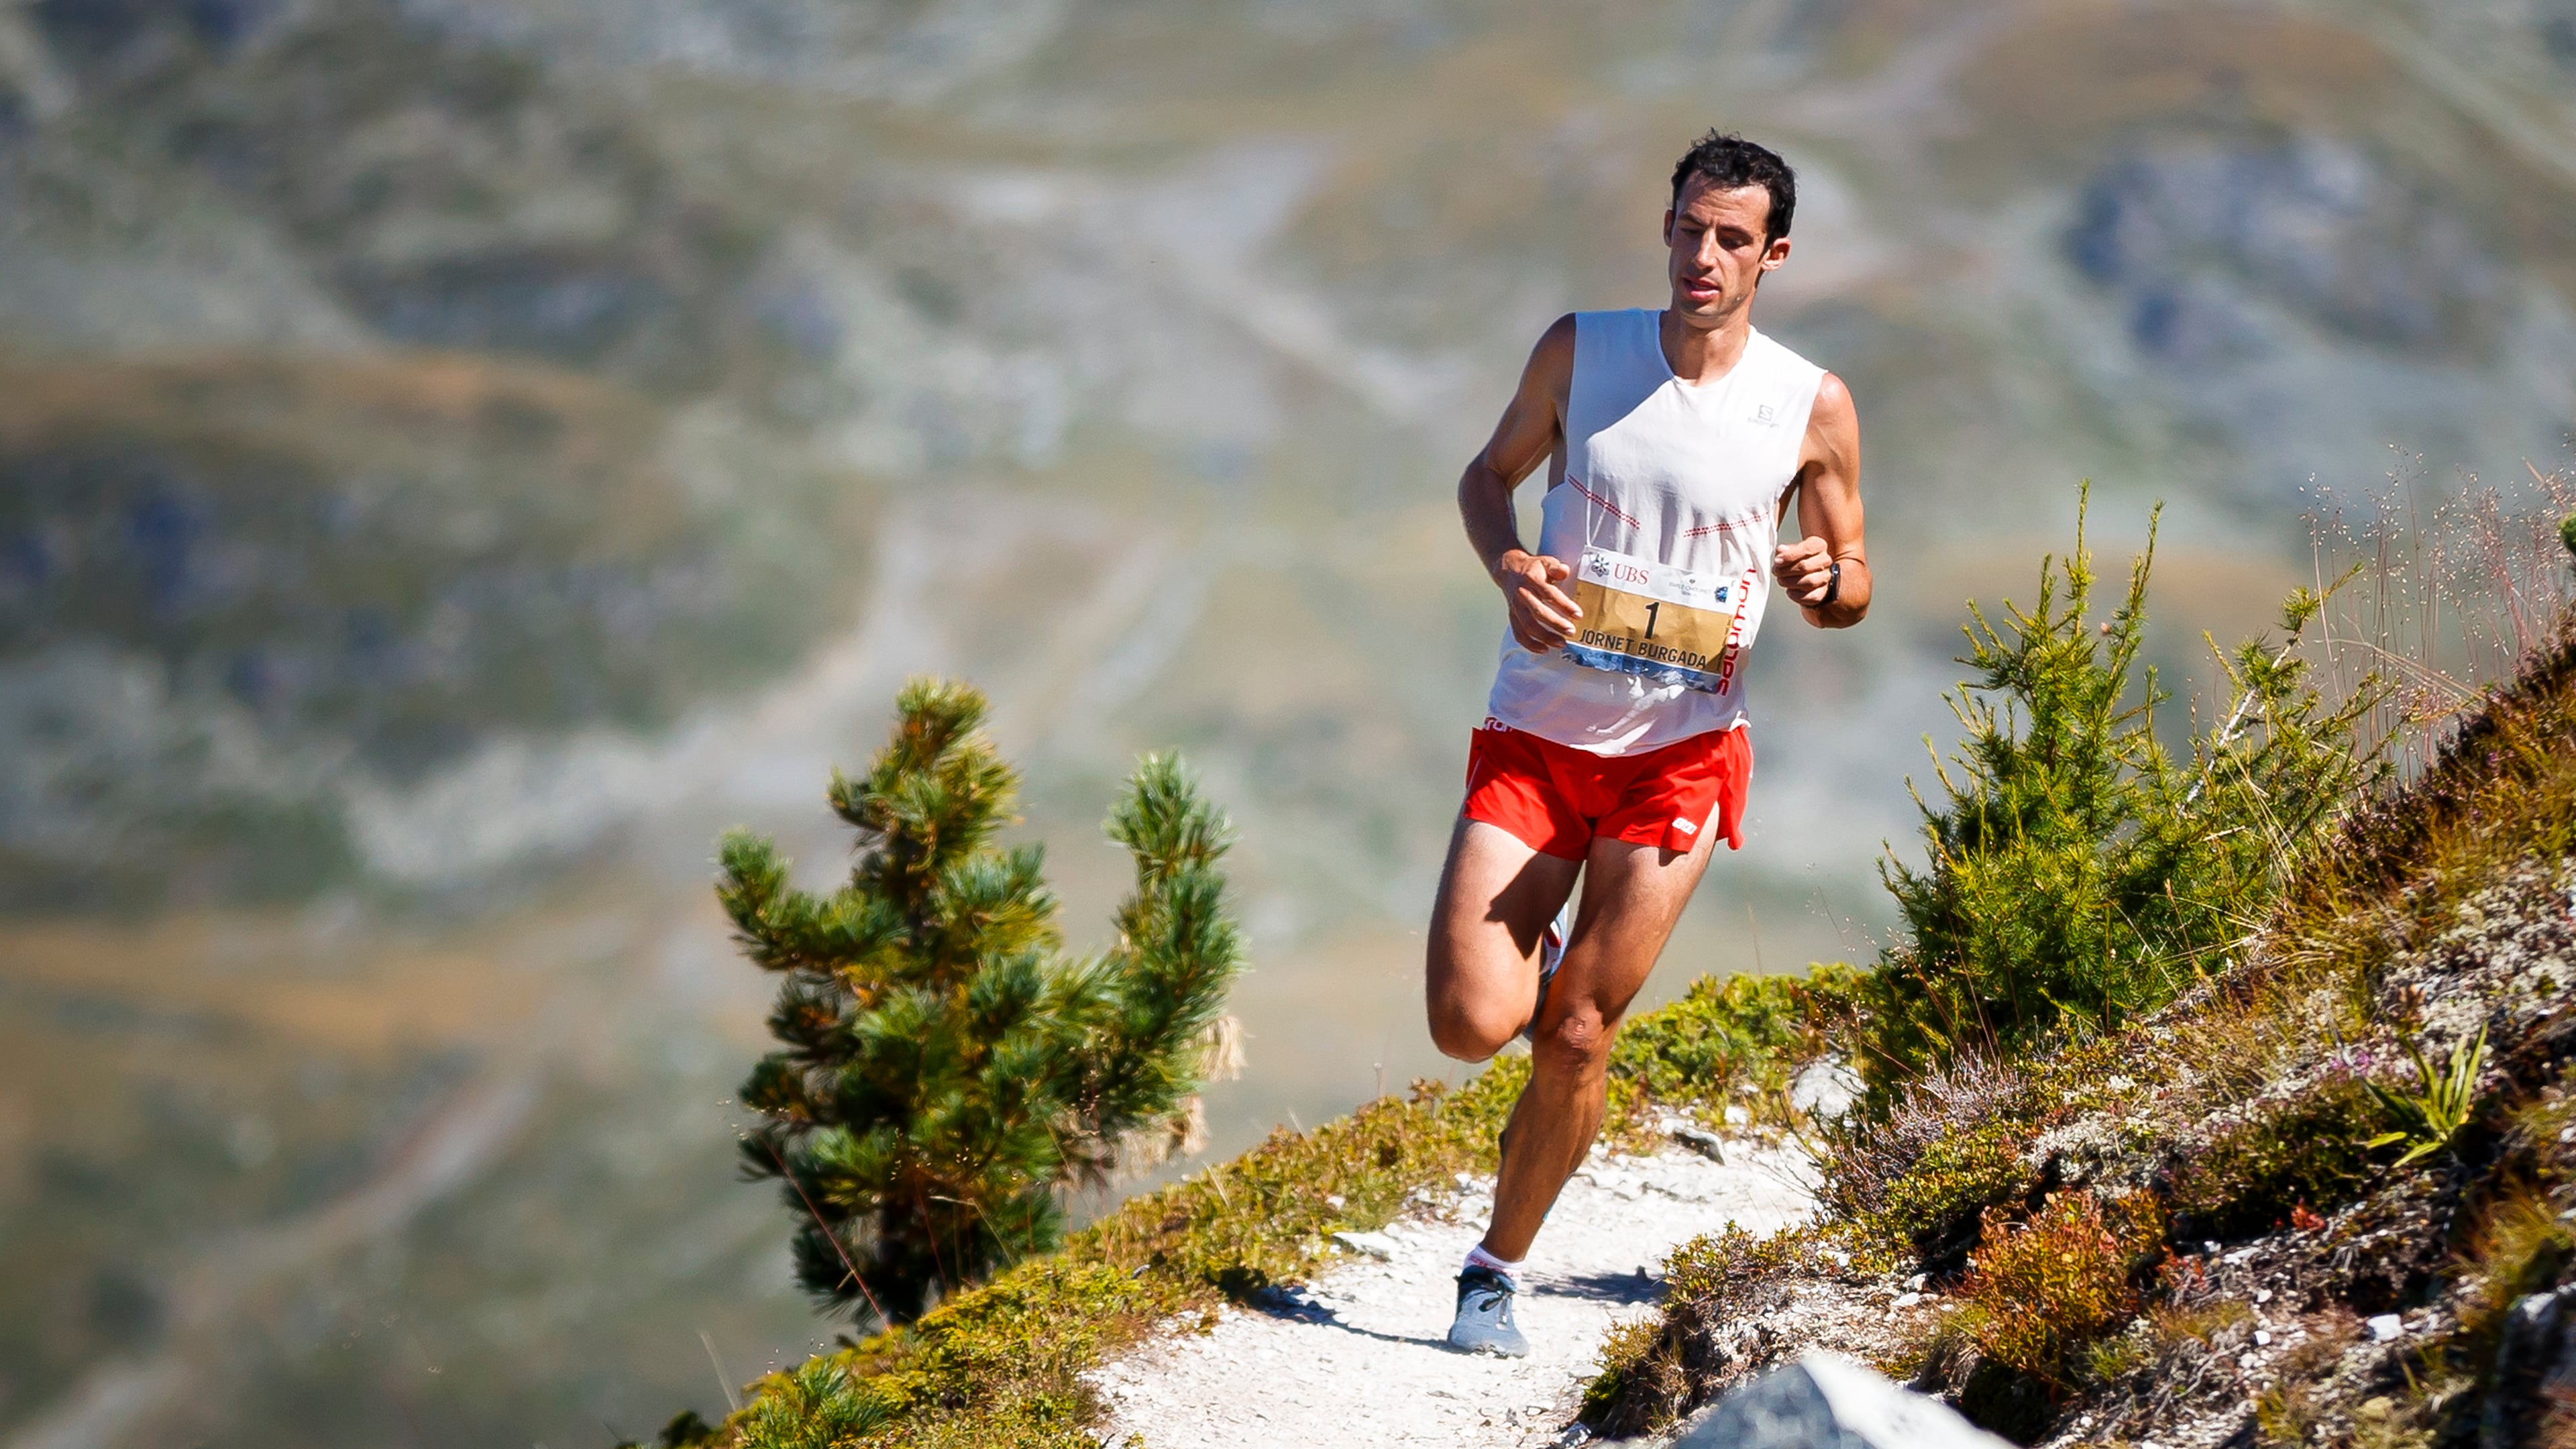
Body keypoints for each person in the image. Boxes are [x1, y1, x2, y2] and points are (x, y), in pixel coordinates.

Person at [1426, 131, 1869, 1356]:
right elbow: (1486, 475)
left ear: (1773, 255)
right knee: (1469, 1022)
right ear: (1666, 227)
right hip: (1537, 733)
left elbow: (1852, 586)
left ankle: (1492, 1273)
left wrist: (1826, 580)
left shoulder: (1809, 403)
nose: (1705, 256)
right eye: (1689, 229)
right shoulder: (1584, 349)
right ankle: (1550, 965)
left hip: (1680, 752)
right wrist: (1509, 560)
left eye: (1734, 239)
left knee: (1577, 1032)